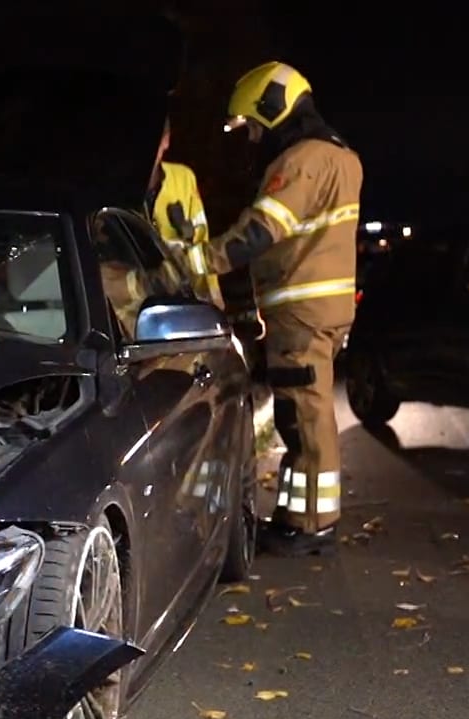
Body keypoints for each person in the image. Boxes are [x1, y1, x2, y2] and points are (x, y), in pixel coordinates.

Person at [178, 61, 362, 556]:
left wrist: (198, 262)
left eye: (254, 127)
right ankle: (300, 516)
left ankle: (310, 525)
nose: (253, 139)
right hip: (321, 309)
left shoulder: (302, 161)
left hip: (302, 313)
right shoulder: (341, 158)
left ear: (272, 108)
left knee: (304, 416)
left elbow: (260, 232)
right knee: (301, 414)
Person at [147, 120, 224, 307]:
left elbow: (201, 242)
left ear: (166, 140)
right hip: (138, 304)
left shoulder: (183, 178)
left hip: (184, 302)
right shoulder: (114, 186)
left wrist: (215, 305)